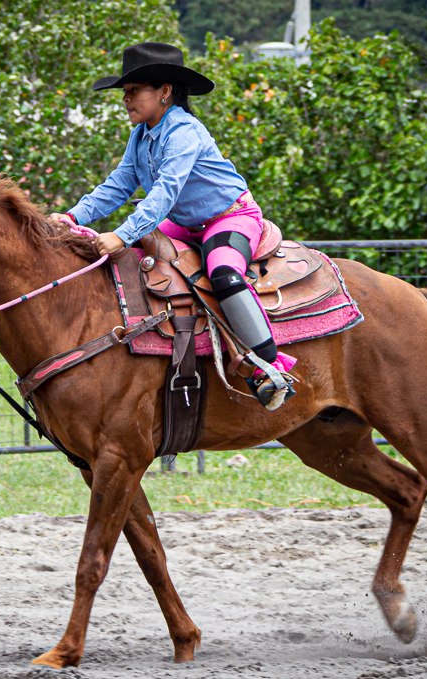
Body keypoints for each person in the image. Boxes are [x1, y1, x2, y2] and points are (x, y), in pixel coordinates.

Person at [49, 42, 295, 410]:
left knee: (224, 273)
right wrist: (72, 217)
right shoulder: (140, 134)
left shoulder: (183, 132)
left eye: (134, 90)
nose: (126, 99)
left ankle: (269, 368)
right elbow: (119, 184)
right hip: (184, 223)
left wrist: (122, 234)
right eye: (125, 92)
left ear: (164, 92)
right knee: (132, 261)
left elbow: (165, 193)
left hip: (229, 218)